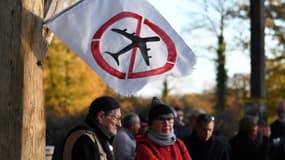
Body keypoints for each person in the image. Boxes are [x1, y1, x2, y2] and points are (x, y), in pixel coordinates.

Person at [58, 96, 121, 160]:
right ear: (101, 116)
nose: (119, 124)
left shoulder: (87, 136)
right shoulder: (85, 140)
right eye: (116, 118)